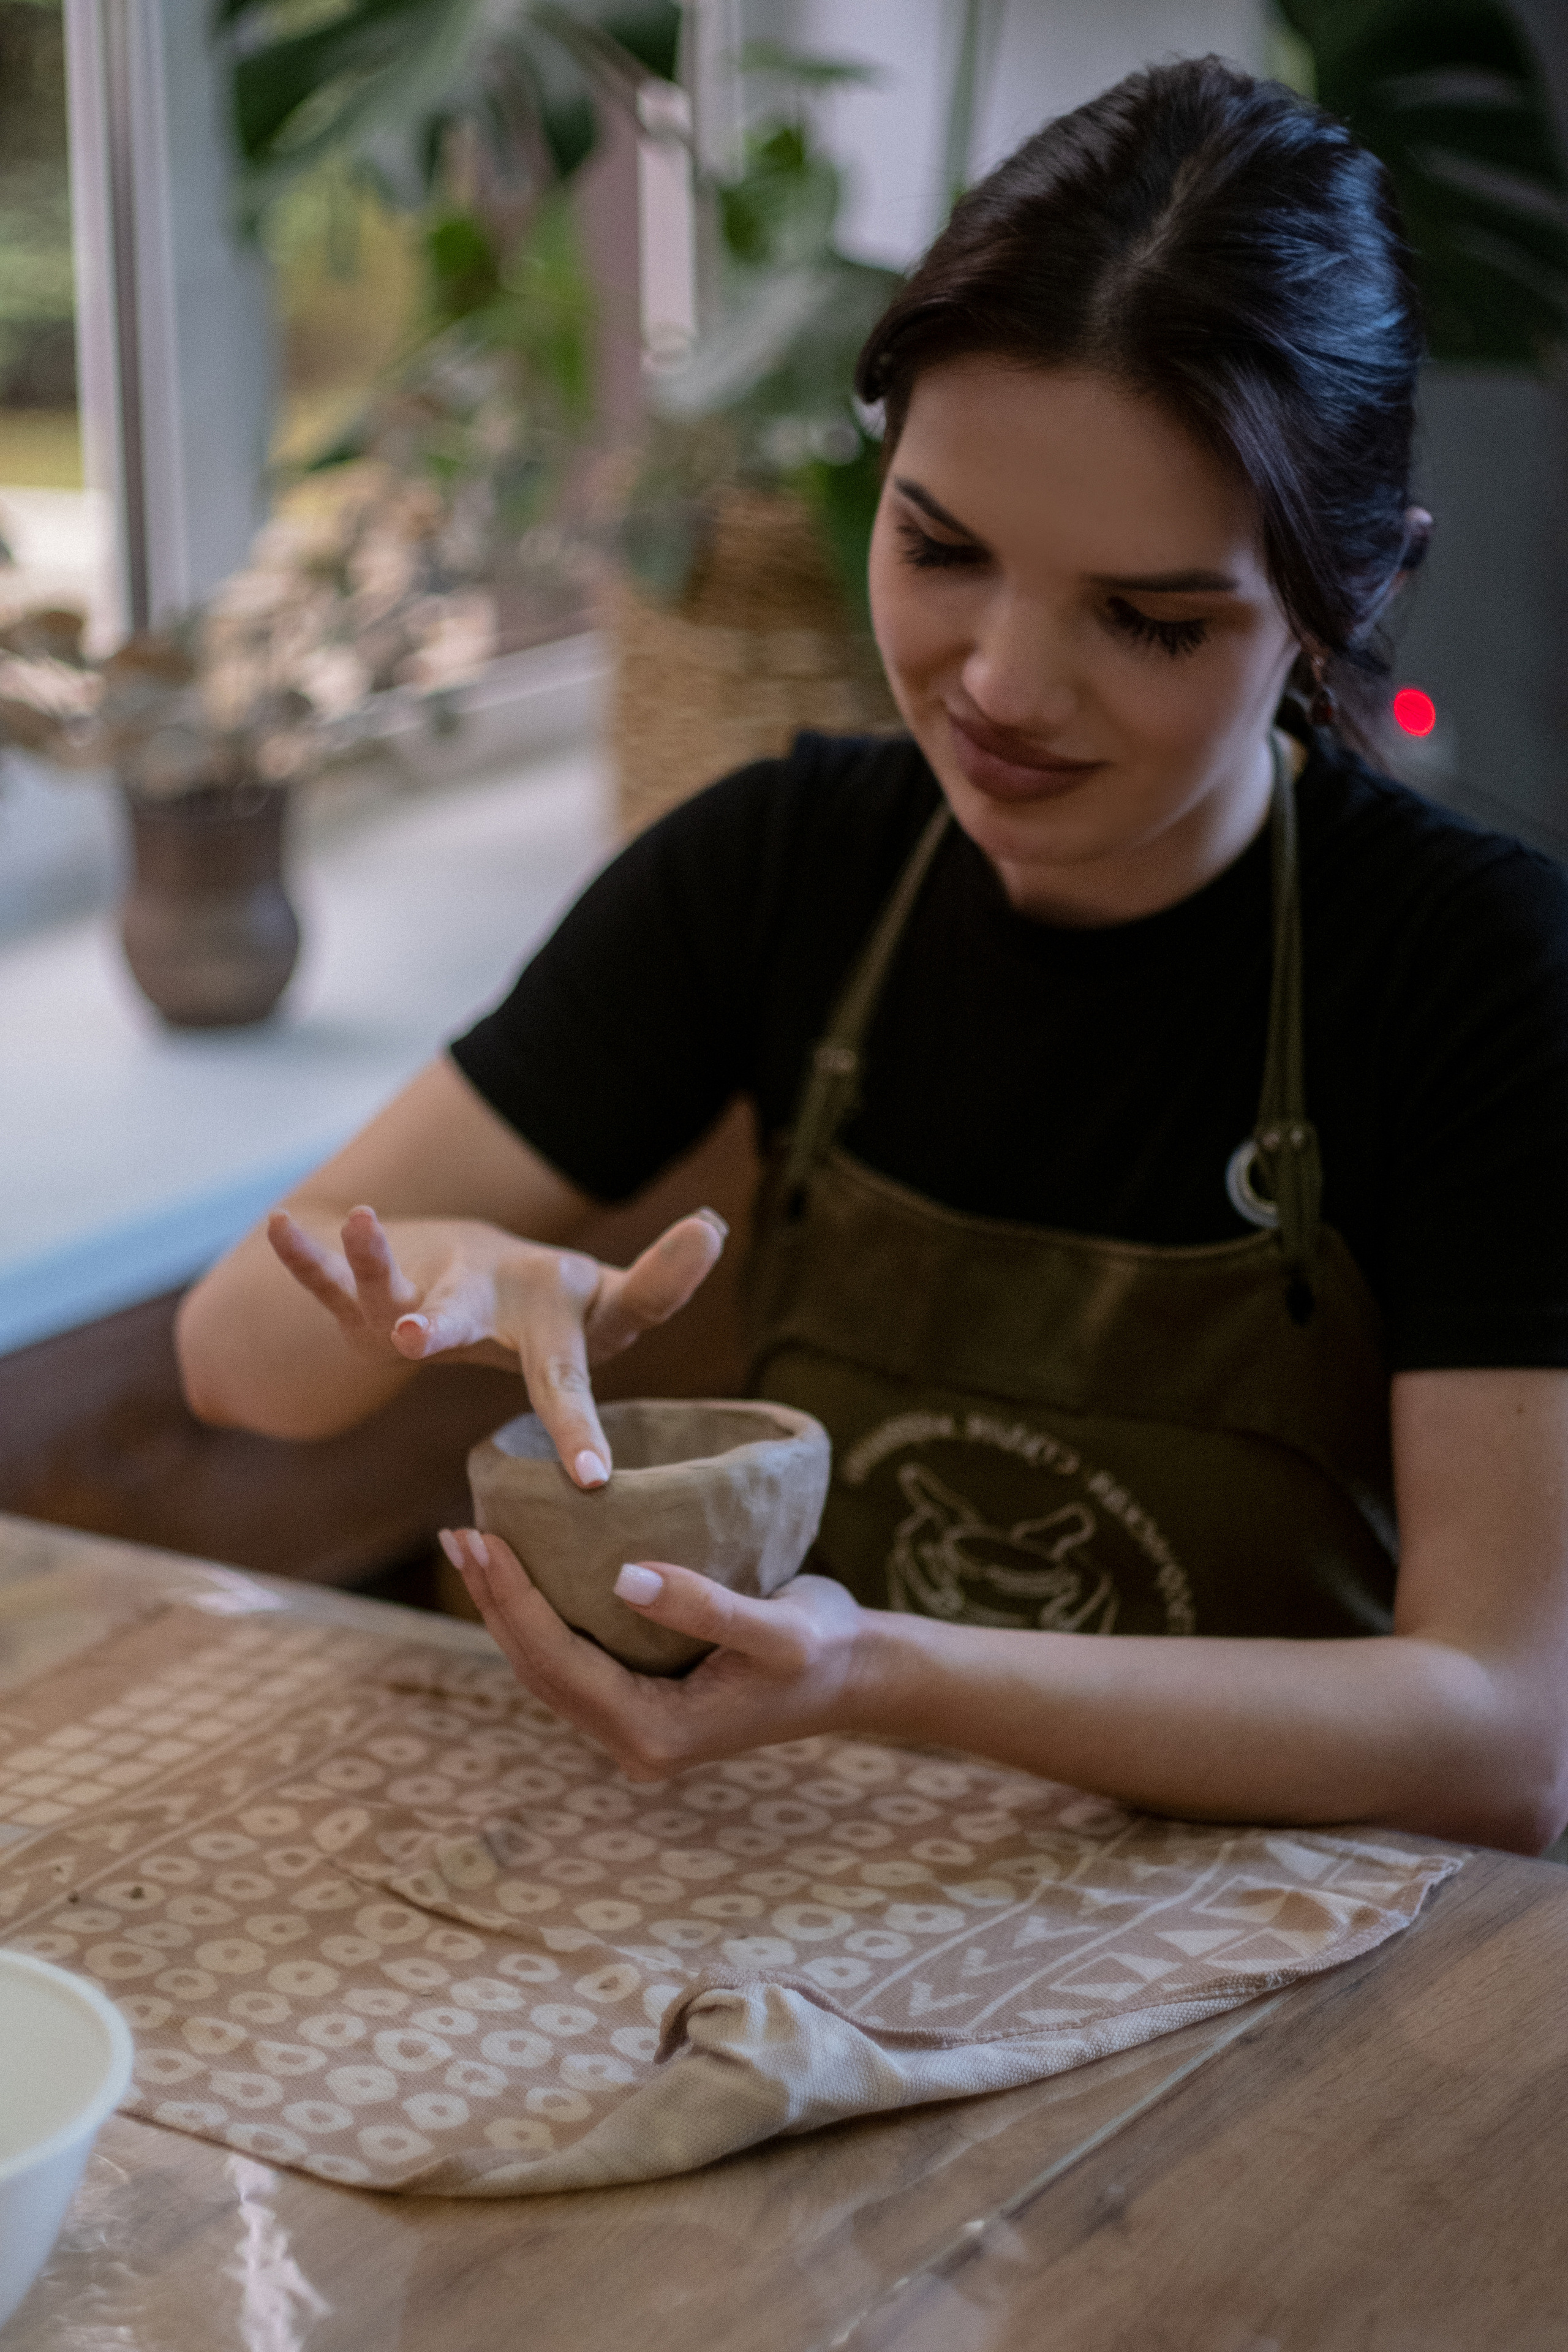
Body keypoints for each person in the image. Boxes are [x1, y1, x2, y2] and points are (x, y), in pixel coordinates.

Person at [178, 58, 1568, 1853]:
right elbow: (234, 1359)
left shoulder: (1479, 976)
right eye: (940, 546)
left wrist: (888, 1674)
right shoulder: (782, 868)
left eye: (1146, 619)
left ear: (1350, 593)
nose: (1001, 685)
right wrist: (442, 1275)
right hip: (838, 1888)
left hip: (1298, 1981)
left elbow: (1505, 1726)